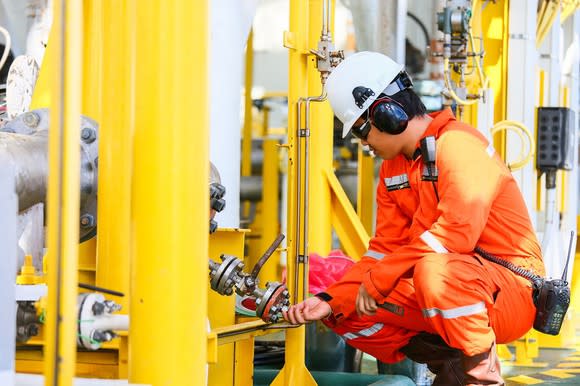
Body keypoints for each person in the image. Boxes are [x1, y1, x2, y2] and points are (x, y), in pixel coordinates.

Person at [282, 51, 545, 386]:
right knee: (343, 306)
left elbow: (454, 236)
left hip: (510, 292)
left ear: (387, 115)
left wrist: (380, 280)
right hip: (448, 286)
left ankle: (483, 379)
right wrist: (328, 300)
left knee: (433, 271)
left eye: (363, 133)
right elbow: (382, 250)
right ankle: (452, 369)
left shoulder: (460, 145)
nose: (365, 146)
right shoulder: (394, 170)